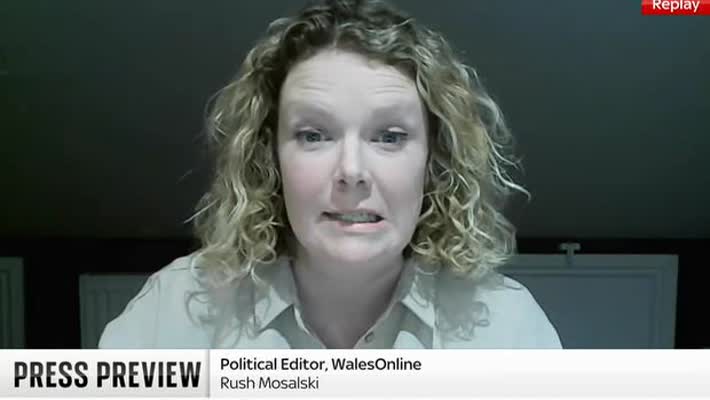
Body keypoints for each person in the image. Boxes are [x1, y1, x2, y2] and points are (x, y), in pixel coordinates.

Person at [99, 0, 562, 349]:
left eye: (390, 136)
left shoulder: (508, 328)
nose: (352, 172)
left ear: (434, 160)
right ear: (269, 156)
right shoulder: (174, 315)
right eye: (314, 135)